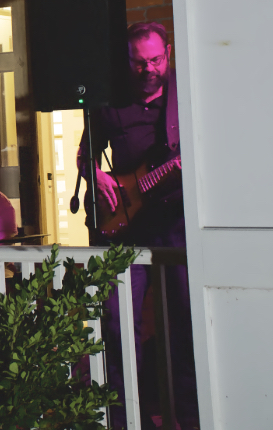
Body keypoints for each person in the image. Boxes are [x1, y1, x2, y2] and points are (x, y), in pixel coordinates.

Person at [77, 22, 198, 430]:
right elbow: (84, 156)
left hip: (177, 225)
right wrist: (98, 175)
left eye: (155, 60)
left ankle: (189, 415)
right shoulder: (111, 103)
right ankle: (126, 416)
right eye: (138, 62)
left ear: (168, 52)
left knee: (185, 320)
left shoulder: (188, 97)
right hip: (128, 225)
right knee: (118, 322)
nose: (148, 69)